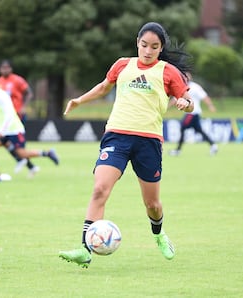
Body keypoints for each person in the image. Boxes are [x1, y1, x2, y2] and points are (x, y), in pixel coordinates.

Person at [59, 22, 194, 268]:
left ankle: (158, 234)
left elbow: (186, 98)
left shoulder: (168, 72)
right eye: (144, 45)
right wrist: (79, 100)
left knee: (152, 204)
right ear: (137, 43)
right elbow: (103, 87)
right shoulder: (123, 65)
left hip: (148, 142)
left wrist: (186, 103)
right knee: (100, 189)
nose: (148, 50)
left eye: (154, 47)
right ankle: (84, 249)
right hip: (117, 136)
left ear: (160, 48)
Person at [0, 71, 59, 182]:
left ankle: (47, 153)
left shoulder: (2, 96)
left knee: (22, 153)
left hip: (13, 129)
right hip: (3, 130)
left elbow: (10, 114)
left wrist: (2, 130)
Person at [0, 59, 38, 176]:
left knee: (15, 145)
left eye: (7, 67)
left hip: (17, 116)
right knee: (5, 142)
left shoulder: (17, 80)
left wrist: (24, 106)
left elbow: (29, 93)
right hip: (5, 119)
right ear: (0, 69)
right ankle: (27, 164)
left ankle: (25, 162)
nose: (5, 70)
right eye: (3, 68)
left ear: (11, 69)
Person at [169, 73, 218, 156]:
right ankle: (213, 145)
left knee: (183, 128)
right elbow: (174, 99)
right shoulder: (181, 87)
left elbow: (204, 97)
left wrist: (211, 106)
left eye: (186, 77)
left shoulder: (195, 87)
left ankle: (178, 150)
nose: (185, 78)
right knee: (199, 130)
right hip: (191, 113)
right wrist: (167, 107)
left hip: (193, 113)